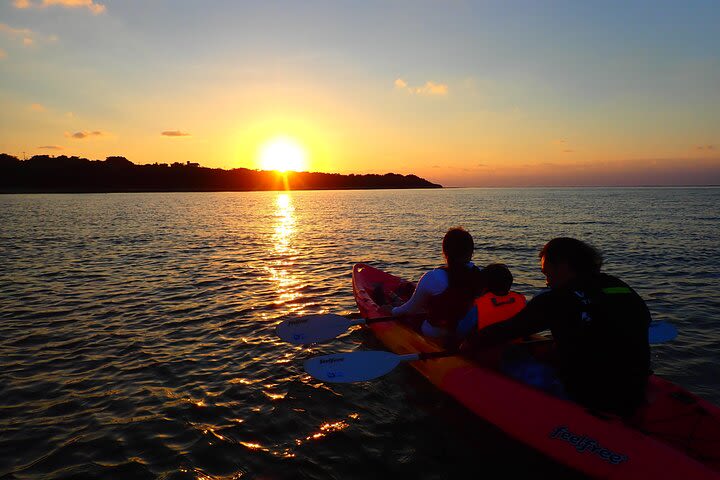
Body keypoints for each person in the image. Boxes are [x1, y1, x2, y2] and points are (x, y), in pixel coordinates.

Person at [462, 237, 651, 417]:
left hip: (589, 396)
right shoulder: (622, 288)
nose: (547, 281)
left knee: (508, 354)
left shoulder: (557, 299)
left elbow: (508, 329)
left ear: (563, 266)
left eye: (547, 273)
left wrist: (469, 344)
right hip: (635, 391)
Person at [387, 227, 486, 342]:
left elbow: (410, 309)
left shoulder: (432, 277)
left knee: (410, 314)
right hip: (465, 334)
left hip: (435, 333)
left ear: (444, 251)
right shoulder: (479, 275)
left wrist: (392, 311)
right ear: (471, 253)